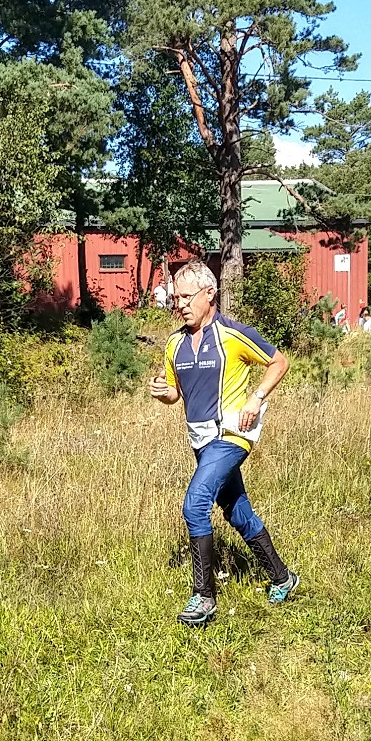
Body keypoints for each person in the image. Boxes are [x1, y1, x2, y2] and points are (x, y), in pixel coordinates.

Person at [150, 260, 299, 628]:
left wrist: (256, 398)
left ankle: (203, 596)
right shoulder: (174, 343)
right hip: (200, 440)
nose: (181, 304)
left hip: (231, 436)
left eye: (187, 297)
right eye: (177, 298)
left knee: (195, 504)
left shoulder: (232, 334)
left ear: (209, 294)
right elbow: (175, 394)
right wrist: (162, 392)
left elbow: (279, 362)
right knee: (236, 510)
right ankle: (282, 578)